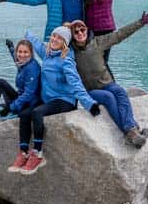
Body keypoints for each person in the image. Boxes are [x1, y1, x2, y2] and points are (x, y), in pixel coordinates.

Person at [10, 25, 99, 175]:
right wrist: (27, 34)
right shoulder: (47, 53)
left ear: (65, 42)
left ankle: (38, 154)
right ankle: (23, 152)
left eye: (59, 38)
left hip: (64, 101)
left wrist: (89, 104)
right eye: (53, 36)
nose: (55, 39)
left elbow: (76, 83)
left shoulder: (66, 59)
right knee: (25, 114)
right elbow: (37, 44)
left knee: (37, 113)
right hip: (48, 100)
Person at [67, 14, 148, 148]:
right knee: (108, 97)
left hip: (107, 84)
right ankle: (133, 131)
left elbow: (120, 34)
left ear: (87, 30)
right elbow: (54, 45)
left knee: (119, 91)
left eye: (82, 29)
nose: (80, 33)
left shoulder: (98, 42)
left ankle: (131, 132)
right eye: (76, 31)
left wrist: (141, 22)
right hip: (90, 91)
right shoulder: (70, 52)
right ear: (72, 35)